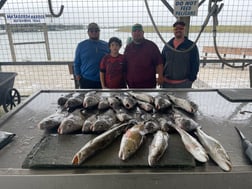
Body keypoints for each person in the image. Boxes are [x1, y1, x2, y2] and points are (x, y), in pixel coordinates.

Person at [124, 23, 164, 88]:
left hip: (148, 84)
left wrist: (160, 76)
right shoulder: (128, 47)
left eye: (139, 31)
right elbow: (125, 65)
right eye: (134, 31)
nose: (137, 33)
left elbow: (159, 63)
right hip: (132, 84)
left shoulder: (151, 46)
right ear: (132, 33)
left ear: (143, 32)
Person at [161, 21, 200, 88]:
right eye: (176, 29)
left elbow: (195, 63)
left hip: (183, 83)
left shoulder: (191, 46)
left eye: (181, 28)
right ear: (173, 30)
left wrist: (191, 79)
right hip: (166, 83)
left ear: (184, 30)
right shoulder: (167, 45)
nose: (178, 30)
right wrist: (161, 76)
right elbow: (162, 62)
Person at [74, 22, 110, 89]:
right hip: (86, 80)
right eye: (91, 31)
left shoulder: (107, 45)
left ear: (99, 32)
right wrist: (78, 75)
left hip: (103, 80)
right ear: (88, 32)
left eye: (96, 30)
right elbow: (76, 62)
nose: (94, 32)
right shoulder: (81, 45)